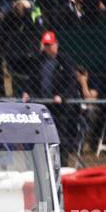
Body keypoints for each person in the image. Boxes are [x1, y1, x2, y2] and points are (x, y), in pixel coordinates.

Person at [24, 30, 82, 163]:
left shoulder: (64, 60)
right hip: (43, 104)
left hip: (59, 106)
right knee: (41, 135)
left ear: (56, 44)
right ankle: (43, 163)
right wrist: (27, 91)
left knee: (60, 135)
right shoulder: (39, 60)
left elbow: (71, 83)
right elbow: (31, 79)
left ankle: (62, 162)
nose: (48, 48)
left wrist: (62, 96)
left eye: (50, 45)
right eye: (46, 45)